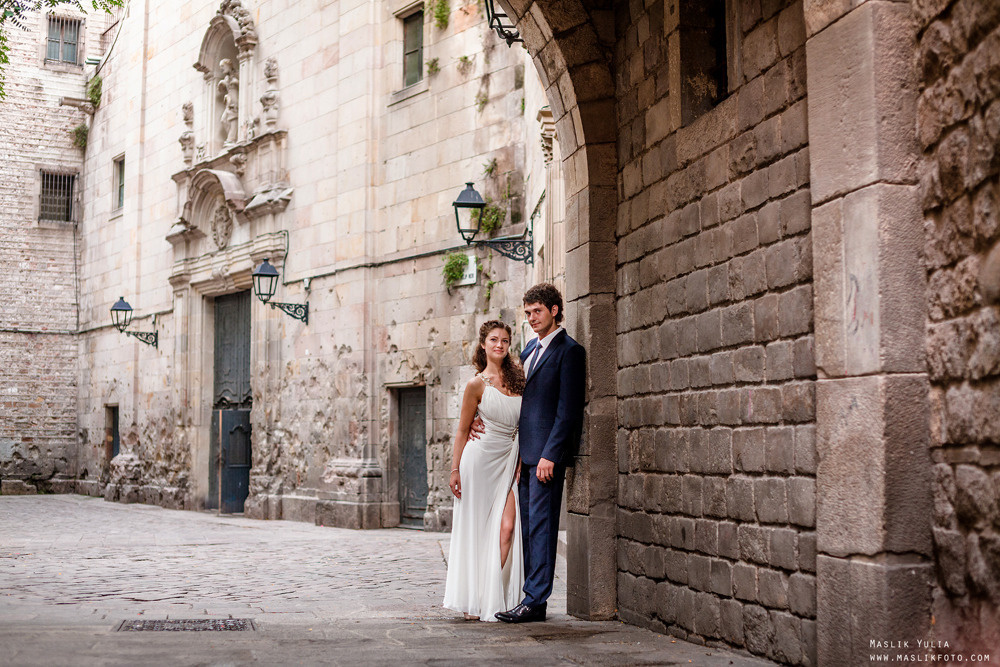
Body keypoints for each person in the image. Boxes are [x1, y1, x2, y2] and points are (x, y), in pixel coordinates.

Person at [495, 283, 586, 623]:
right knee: (529, 527)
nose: (531, 318)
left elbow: (568, 410)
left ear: (555, 311)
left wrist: (551, 454)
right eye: (528, 312)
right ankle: (533, 598)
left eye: (537, 311)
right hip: (524, 455)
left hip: (546, 458)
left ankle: (534, 600)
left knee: (543, 529)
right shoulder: (529, 349)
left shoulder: (569, 352)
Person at [443, 320, 525, 621]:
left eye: (504, 340)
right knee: (475, 530)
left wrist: (519, 461)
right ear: (483, 344)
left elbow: (525, 425)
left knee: (507, 528)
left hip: (508, 461)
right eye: (493, 340)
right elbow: (463, 430)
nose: (499, 345)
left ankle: (491, 592)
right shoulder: (476, 385)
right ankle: (475, 599)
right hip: (477, 462)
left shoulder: (520, 380)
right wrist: (454, 470)